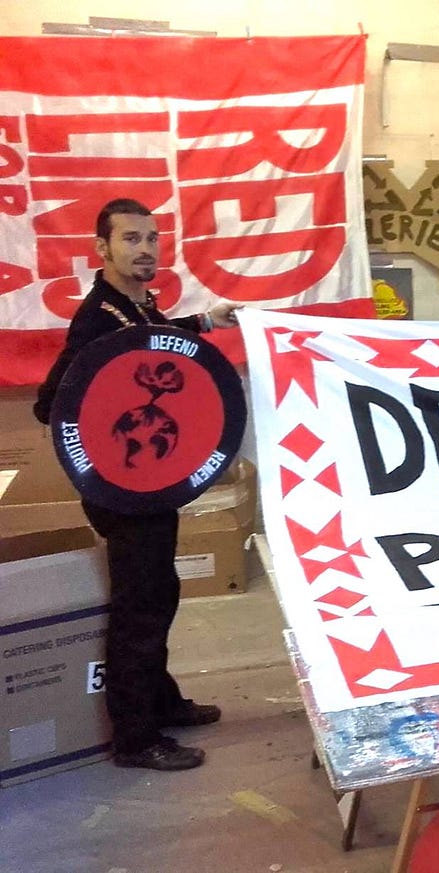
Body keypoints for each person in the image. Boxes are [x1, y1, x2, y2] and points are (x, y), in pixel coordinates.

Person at [33, 198, 240, 772]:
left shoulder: (135, 306)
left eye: (151, 238)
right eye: (130, 239)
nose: (145, 248)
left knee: (160, 592)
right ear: (102, 249)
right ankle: (135, 737)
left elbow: (150, 339)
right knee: (140, 607)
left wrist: (203, 322)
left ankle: (160, 701)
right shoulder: (99, 315)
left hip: (150, 485)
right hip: (123, 491)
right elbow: (53, 402)